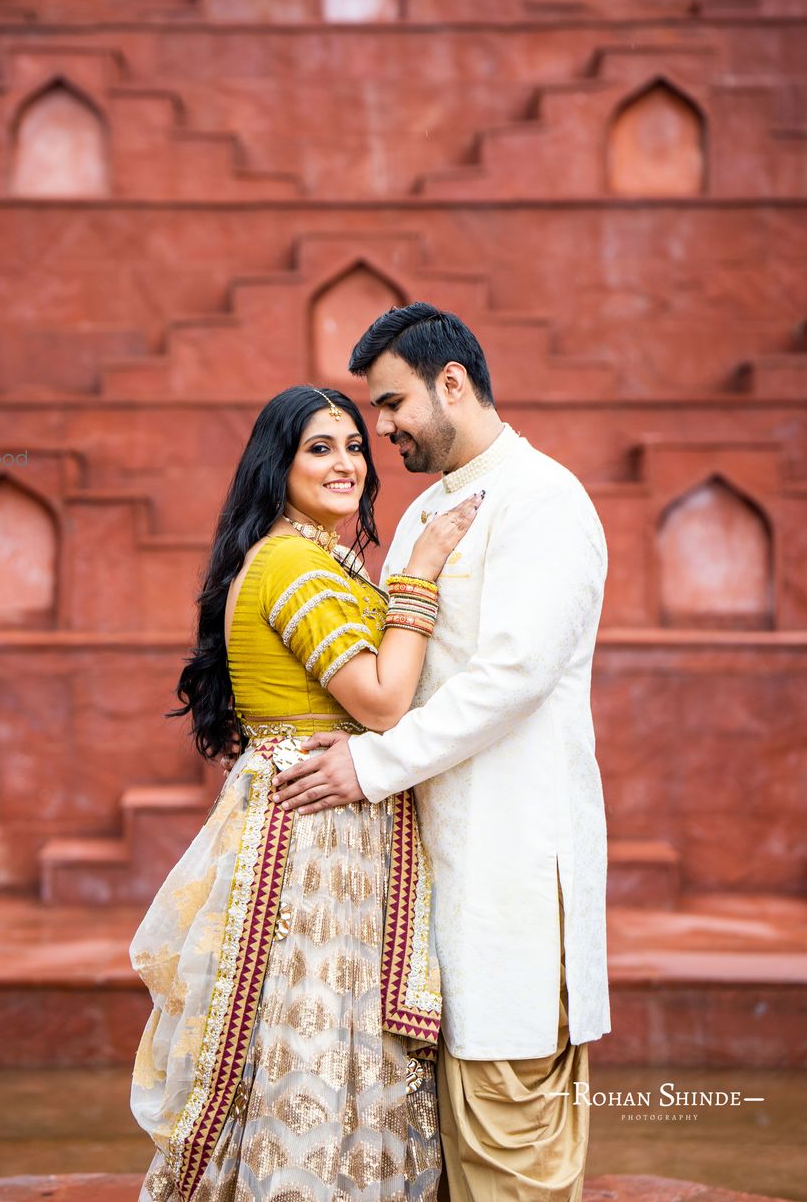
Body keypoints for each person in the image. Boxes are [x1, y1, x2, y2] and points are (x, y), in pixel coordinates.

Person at [272, 305, 611, 1202]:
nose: (379, 431)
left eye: (391, 405)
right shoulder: (428, 507)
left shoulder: (544, 499)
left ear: (450, 382)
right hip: (428, 888)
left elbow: (514, 676)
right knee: (444, 1166)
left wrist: (366, 768)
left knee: (510, 1153)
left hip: (509, 880)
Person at [128, 383, 482, 1202]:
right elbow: (383, 700)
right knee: (311, 1056)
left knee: (335, 1053)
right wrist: (420, 570)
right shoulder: (293, 562)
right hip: (312, 844)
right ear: (276, 464)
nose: (346, 463)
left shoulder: (323, 557)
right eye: (319, 448)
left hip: (334, 825)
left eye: (355, 445)